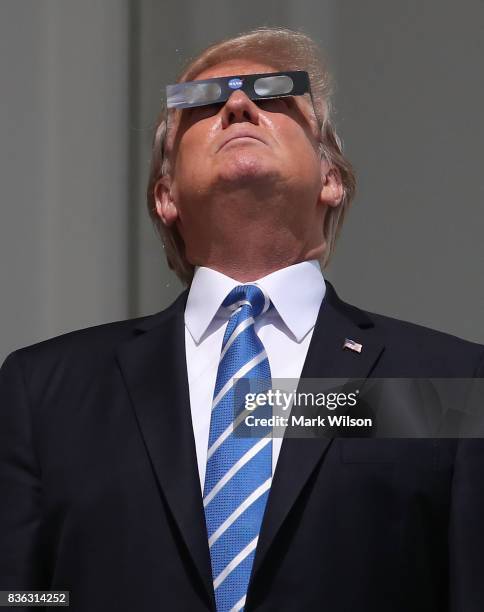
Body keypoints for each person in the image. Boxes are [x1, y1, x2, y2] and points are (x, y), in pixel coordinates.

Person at [1, 26, 483, 612]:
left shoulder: (448, 384)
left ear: (331, 179)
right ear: (165, 194)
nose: (237, 105)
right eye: (200, 104)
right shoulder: (45, 389)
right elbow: (21, 594)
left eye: (277, 94)